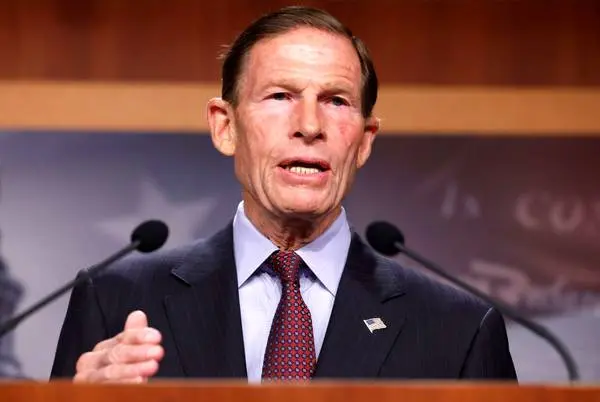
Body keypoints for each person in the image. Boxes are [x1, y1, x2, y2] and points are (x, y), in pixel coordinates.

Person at [50, 6, 517, 383]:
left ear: (364, 140)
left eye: (336, 101)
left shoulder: (459, 329)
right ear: (226, 126)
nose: (309, 126)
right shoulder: (114, 300)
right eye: (280, 96)